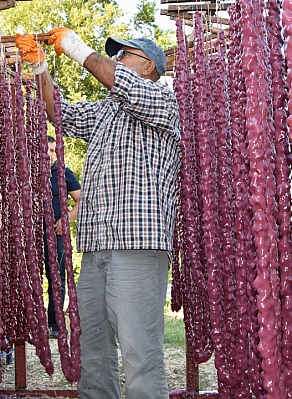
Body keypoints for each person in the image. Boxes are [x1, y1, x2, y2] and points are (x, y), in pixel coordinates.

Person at [15, 29, 181, 399]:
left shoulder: (162, 100)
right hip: (96, 248)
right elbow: (60, 114)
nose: (118, 60)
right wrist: (40, 67)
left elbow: (119, 80)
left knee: (140, 354)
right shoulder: (107, 111)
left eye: (126, 55)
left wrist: (74, 48)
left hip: (138, 245)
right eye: (116, 55)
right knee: (94, 353)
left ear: (149, 66)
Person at [45, 135, 81, 339]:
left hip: (55, 233)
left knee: (56, 277)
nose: (50, 155)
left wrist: (66, 219)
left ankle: (56, 324)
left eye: (53, 151)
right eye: (47, 150)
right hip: (30, 233)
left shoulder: (63, 173)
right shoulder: (27, 172)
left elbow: (80, 201)